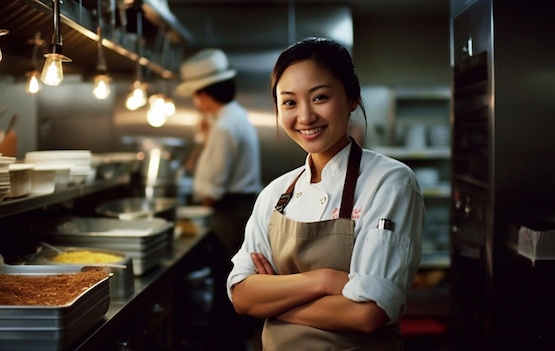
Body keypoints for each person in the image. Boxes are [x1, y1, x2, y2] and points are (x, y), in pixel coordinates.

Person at [226, 37, 424, 350]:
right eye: (289, 102)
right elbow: (241, 296)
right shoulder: (274, 195)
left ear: (352, 98)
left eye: (319, 97)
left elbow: (368, 314)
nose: (305, 117)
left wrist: (273, 298)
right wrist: (325, 280)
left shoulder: (389, 182)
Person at [176, 48, 262, 259]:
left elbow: (215, 184)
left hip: (230, 211)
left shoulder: (224, 125)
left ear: (204, 94)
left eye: (195, 96)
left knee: (227, 269)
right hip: (240, 208)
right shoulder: (234, 116)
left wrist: (198, 213)